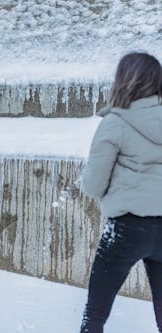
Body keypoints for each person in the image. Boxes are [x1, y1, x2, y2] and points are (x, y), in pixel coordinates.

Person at [80, 52, 162, 332]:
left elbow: (93, 185)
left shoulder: (114, 122)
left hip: (126, 228)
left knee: (95, 315)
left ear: (124, 80)